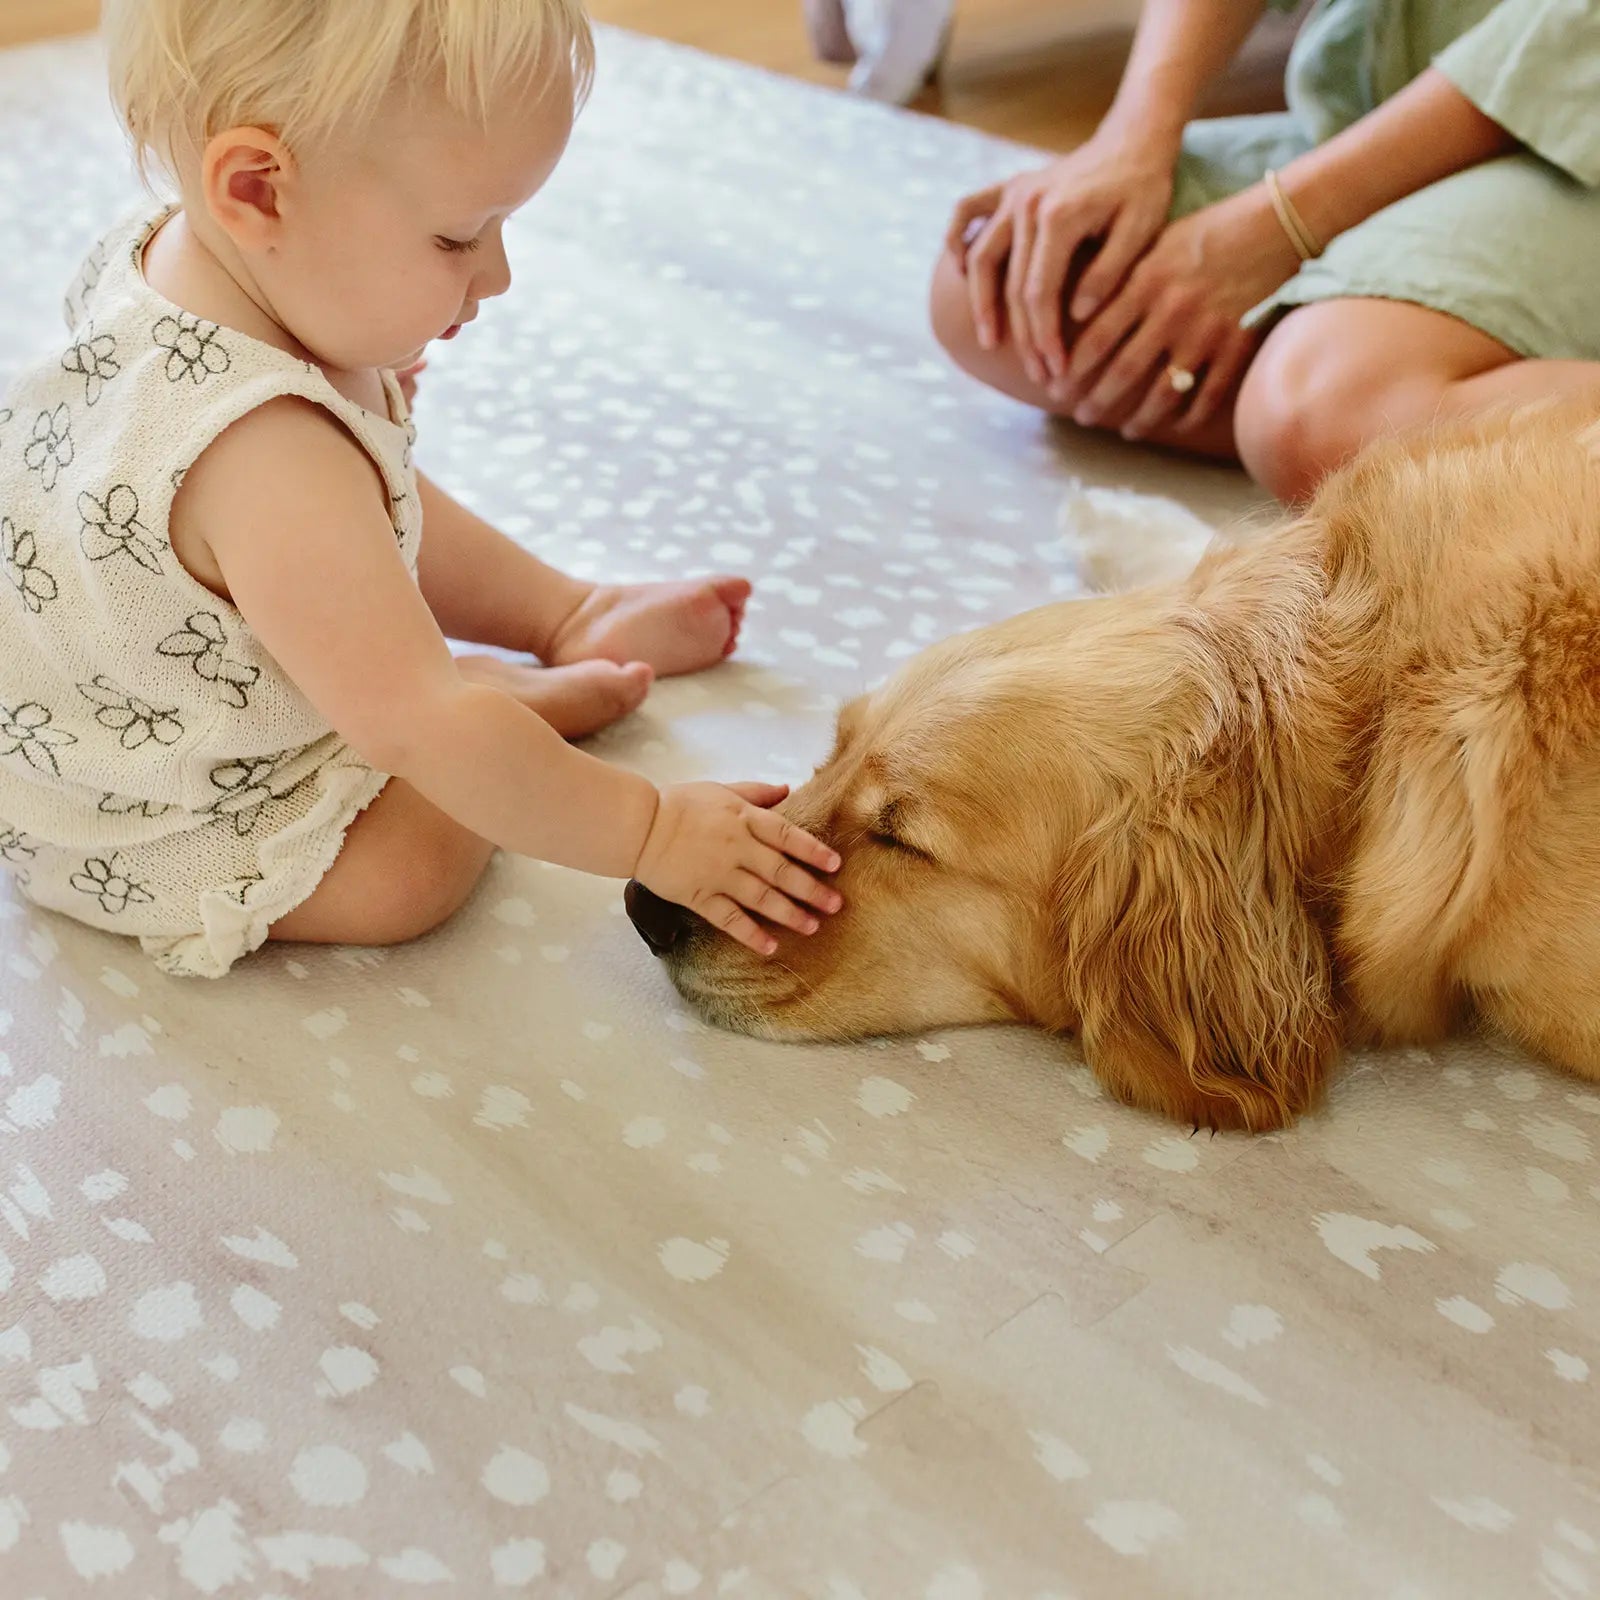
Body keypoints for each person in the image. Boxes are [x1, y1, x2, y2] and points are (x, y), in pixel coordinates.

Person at [0, 0, 843, 978]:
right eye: (458, 238)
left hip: (113, 692)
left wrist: (366, 400)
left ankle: (564, 616)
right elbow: (319, 525)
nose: (498, 275)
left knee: (358, 487)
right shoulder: (265, 459)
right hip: (153, 813)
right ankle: (486, 713)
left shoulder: (193, 264)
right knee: (407, 868)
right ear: (259, 191)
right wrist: (651, 828)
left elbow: (355, 498)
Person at [929, 0, 1600, 502]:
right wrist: (1133, 137)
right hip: (1396, 107)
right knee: (1005, 280)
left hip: (1576, 130)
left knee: (1313, 411)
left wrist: (1276, 227)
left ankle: (1350, 400)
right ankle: (1381, 392)